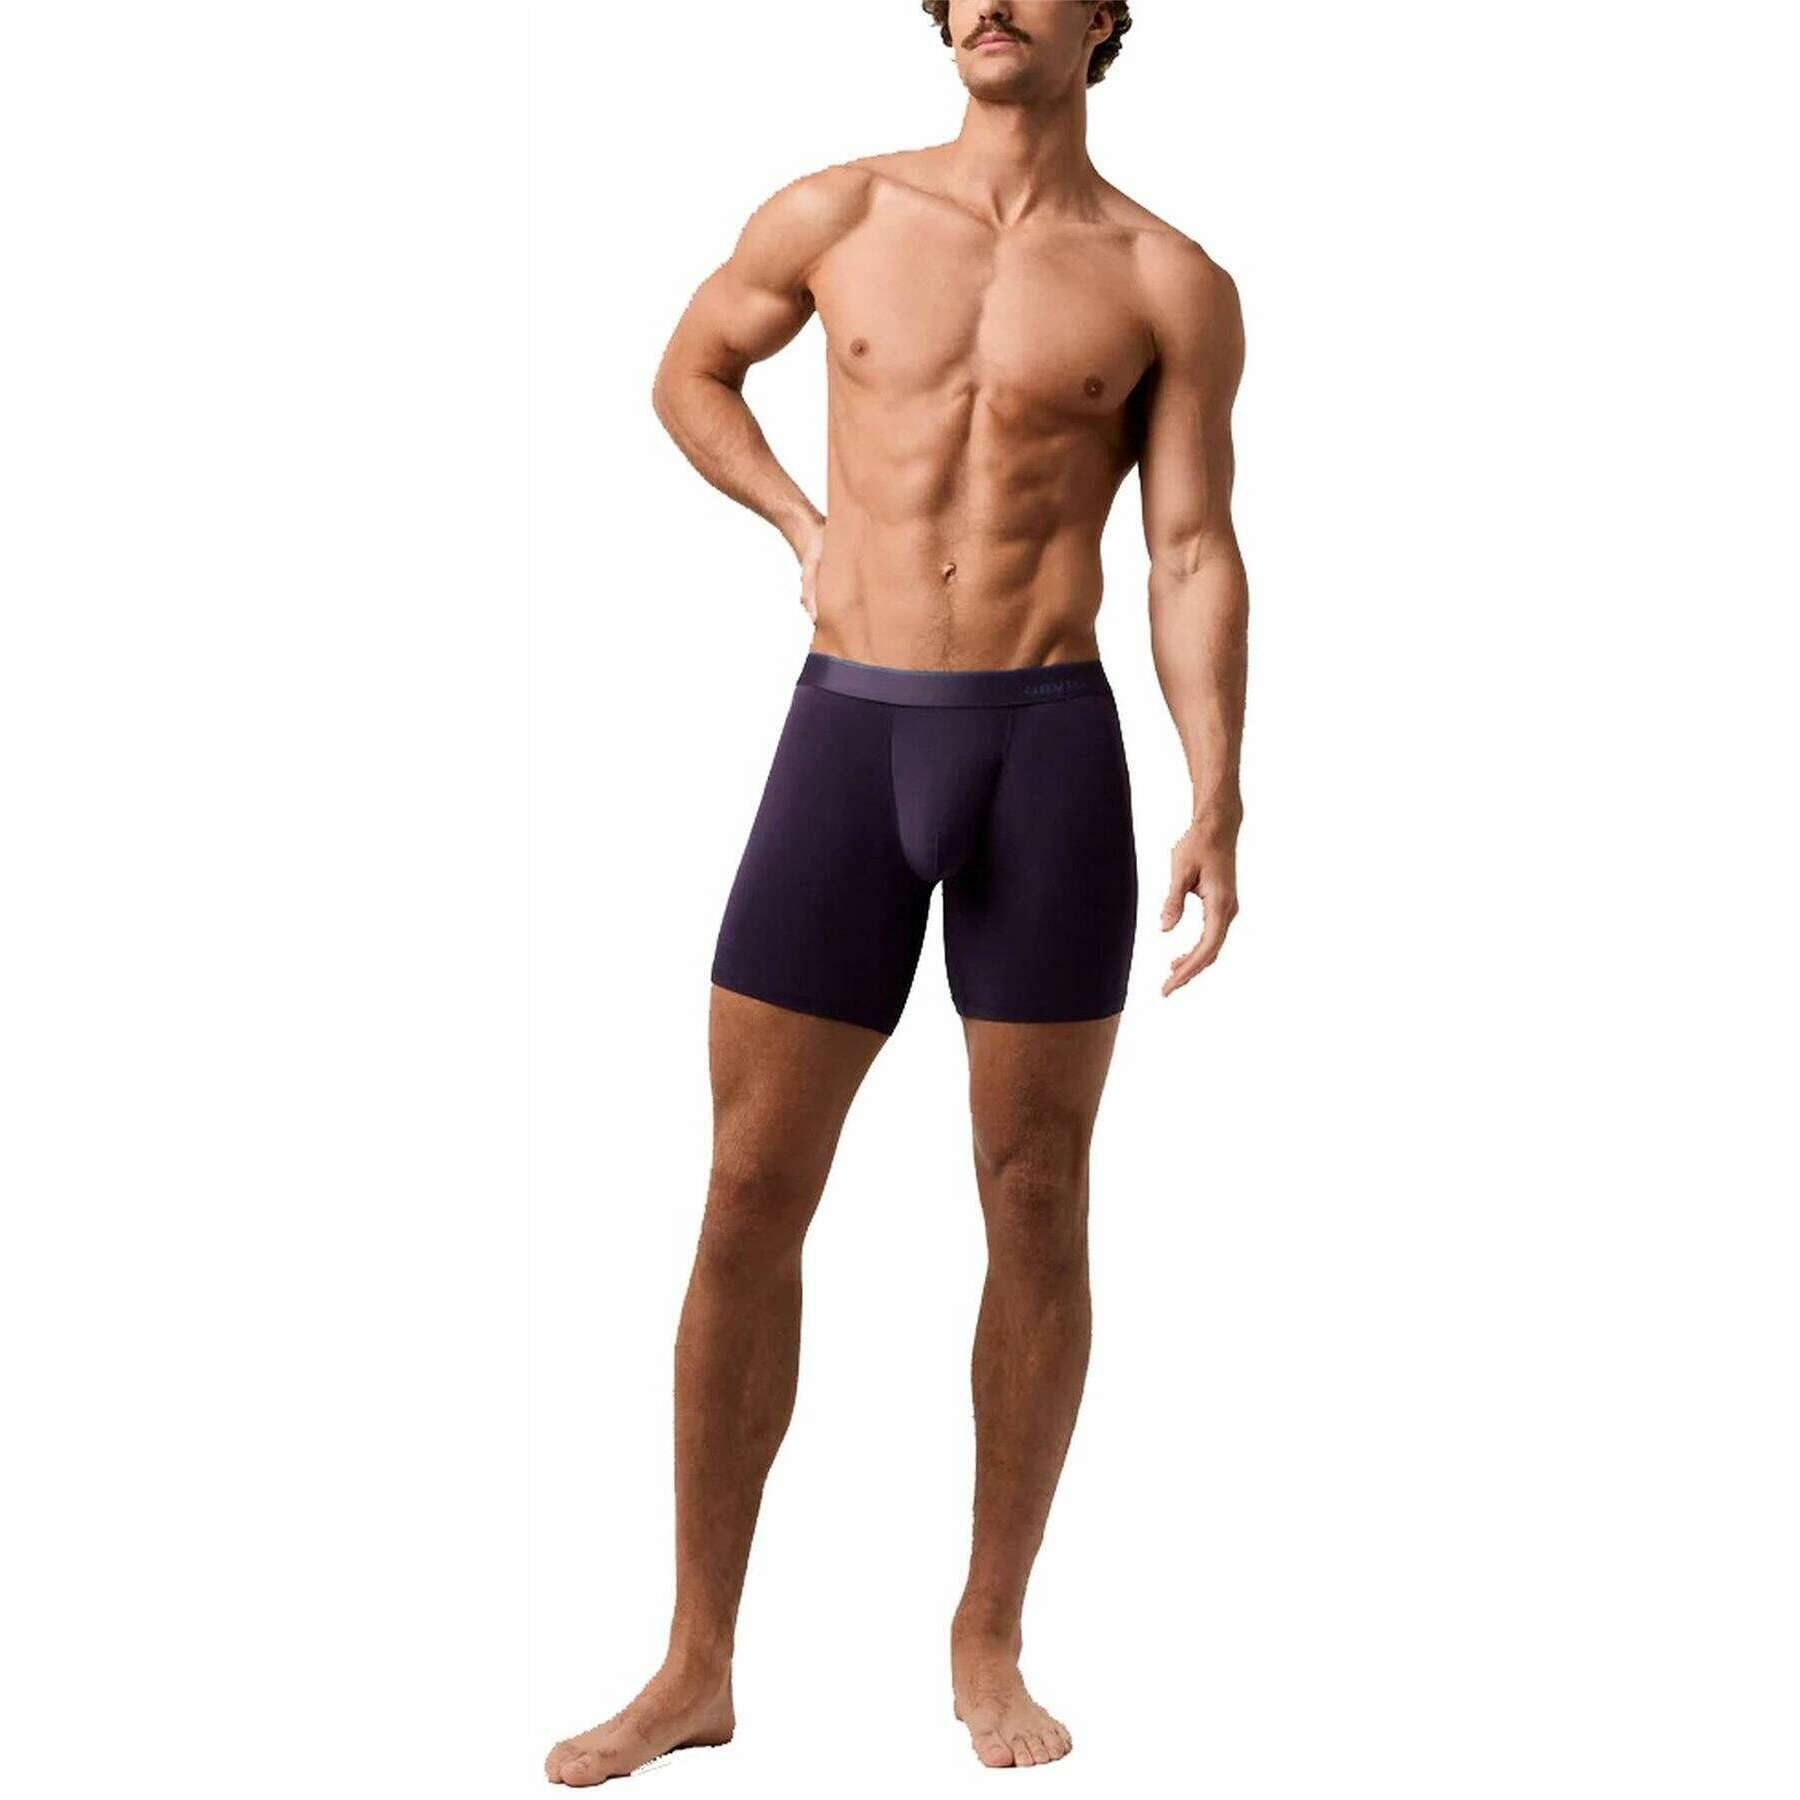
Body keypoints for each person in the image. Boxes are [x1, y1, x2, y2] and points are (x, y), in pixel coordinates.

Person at [547, 0, 1247, 1781]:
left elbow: (1186, 544)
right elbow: (689, 370)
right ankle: (695, 1663)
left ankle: (987, 1636)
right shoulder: (838, 211)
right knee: (747, 1190)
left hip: (1047, 752)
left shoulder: (1167, 280)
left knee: (1037, 1193)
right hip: (848, 739)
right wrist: (801, 524)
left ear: (1108, 18)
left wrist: (1217, 786)